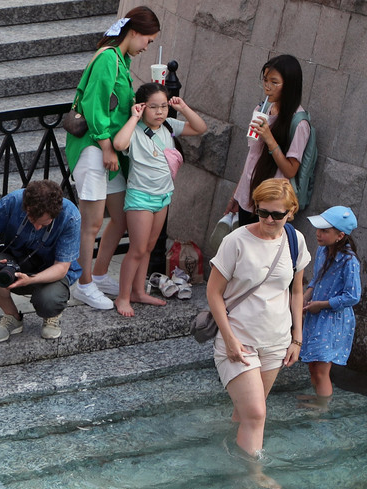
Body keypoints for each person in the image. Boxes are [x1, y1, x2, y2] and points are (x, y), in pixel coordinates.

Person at [206, 178, 310, 489]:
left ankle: (227, 463)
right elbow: (213, 293)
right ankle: (253, 478)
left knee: (245, 413)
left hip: (276, 342)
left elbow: (296, 291)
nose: (268, 220)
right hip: (238, 340)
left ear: (290, 212)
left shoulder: (295, 241)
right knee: (256, 413)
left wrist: (297, 339)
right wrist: (228, 338)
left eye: (276, 215)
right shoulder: (236, 241)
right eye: (262, 212)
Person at [64, 7, 160, 311]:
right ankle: (84, 283)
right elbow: (95, 106)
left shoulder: (121, 59)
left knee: (119, 217)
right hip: (94, 149)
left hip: (109, 151)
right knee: (91, 223)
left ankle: (100, 274)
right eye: (148, 39)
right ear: (133, 32)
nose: (148, 46)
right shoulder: (108, 58)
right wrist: (106, 147)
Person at [111, 84, 206, 316]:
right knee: (137, 249)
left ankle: (139, 291)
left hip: (163, 196)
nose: (160, 112)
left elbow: (200, 128)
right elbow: (119, 144)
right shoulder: (134, 130)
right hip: (140, 197)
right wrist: (134, 117)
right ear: (142, 107)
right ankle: (122, 297)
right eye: (153, 107)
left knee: (149, 248)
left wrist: (182, 107)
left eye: (163, 106)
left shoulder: (169, 126)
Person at [0, 178, 81, 343]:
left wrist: (31, 279)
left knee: (49, 300)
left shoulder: (70, 216)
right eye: (32, 220)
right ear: (26, 207)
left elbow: (62, 267)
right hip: (16, 258)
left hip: (51, 269)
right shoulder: (13, 201)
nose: (37, 227)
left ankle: (52, 315)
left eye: (43, 224)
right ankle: (12, 316)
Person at [226, 55, 311, 230]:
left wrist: (269, 139)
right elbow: (253, 156)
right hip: (247, 195)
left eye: (274, 82)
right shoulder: (261, 109)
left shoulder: (298, 123)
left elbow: (290, 169)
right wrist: (237, 194)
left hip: (271, 204)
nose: (267, 87)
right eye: (265, 80)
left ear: (289, 86)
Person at [299, 206, 360, 411]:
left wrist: (322, 305)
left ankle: (323, 408)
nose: (318, 233)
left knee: (322, 370)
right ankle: (319, 397)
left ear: (340, 235)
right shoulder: (322, 250)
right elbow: (316, 280)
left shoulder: (349, 261)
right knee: (312, 364)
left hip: (333, 321)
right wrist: (303, 301)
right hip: (316, 315)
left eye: (324, 230)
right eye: (319, 229)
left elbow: (353, 296)